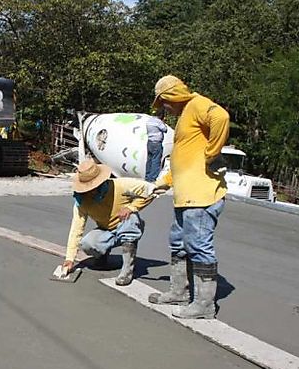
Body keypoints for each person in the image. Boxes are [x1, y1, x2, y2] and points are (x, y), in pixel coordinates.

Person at [146, 75, 230, 319]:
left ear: (173, 95)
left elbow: (221, 117)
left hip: (201, 197)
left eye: (164, 102)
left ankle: (204, 305)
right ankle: (179, 291)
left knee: (198, 246)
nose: (165, 108)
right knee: (179, 243)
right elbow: (184, 160)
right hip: (186, 197)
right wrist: (160, 184)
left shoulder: (196, 104)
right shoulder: (187, 115)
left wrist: (212, 154)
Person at [61, 158, 155, 286]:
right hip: (106, 229)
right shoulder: (81, 201)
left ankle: (127, 270)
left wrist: (131, 207)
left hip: (126, 225)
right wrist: (69, 259)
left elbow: (152, 190)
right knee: (87, 244)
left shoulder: (120, 185)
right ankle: (102, 256)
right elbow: (76, 228)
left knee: (130, 219)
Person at [145, 110, 168, 181]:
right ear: (161, 116)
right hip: (156, 143)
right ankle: (152, 178)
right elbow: (165, 129)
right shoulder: (158, 122)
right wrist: (163, 122)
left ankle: (147, 176)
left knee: (149, 160)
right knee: (156, 160)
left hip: (150, 142)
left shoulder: (149, 120)